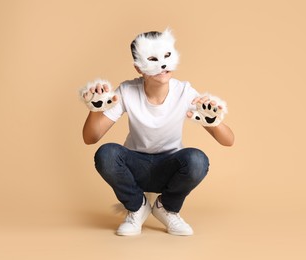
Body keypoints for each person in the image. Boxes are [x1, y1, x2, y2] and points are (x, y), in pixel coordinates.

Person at [80, 28, 234, 236]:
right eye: (152, 59)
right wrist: (94, 109)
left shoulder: (184, 92)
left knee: (197, 160)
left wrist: (214, 120)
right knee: (106, 154)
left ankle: (167, 208)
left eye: (167, 56)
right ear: (138, 68)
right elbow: (91, 138)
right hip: (135, 167)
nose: (162, 65)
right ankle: (137, 208)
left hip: (169, 167)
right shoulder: (127, 91)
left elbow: (228, 140)